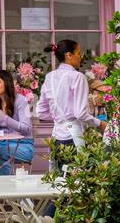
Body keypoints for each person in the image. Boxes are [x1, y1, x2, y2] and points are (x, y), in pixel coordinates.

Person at [36, 40, 104, 172]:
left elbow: (41, 112)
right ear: (69, 55)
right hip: (73, 137)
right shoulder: (77, 77)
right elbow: (80, 113)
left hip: (56, 138)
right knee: (79, 184)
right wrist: (100, 124)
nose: (81, 56)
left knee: (60, 185)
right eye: (78, 53)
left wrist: (61, 118)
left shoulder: (49, 77)